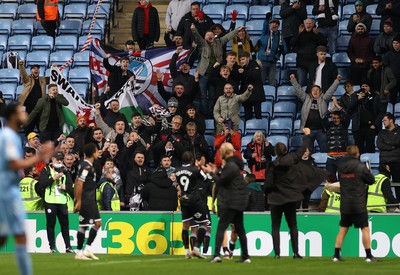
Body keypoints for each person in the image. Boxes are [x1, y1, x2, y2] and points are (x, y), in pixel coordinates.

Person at [0, 103, 54, 275]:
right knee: (19, 235)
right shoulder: (8, 136)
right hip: (6, 191)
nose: (25, 114)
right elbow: (14, 164)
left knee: (10, 236)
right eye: (21, 112)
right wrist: (40, 156)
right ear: (13, 116)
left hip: (9, 190)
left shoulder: (13, 136)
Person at [264, 128, 311, 259]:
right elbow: (302, 149)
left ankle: (277, 254)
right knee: (293, 225)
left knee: (275, 226)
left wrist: (266, 193)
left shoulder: (273, 165)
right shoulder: (293, 159)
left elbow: (268, 183)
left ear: (275, 152)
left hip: (276, 199)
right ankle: (296, 253)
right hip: (291, 198)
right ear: (285, 150)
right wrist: (307, 136)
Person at [202, 143, 250, 263]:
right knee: (240, 229)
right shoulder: (235, 165)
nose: (219, 153)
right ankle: (245, 256)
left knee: (221, 227)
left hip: (230, 201)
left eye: (220, 151)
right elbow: (226, 180)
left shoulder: (230, 165)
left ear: (224, 151)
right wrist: (216, 172)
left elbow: (221, 182)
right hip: (238, 200)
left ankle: (217, 255)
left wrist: (211, 173)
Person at [333, 145, 376, 262]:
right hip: (358, 203)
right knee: (365, 229)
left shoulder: (340, 167)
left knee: (343, 229)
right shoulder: (361, 167)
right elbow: (371, 181)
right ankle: (368, 256)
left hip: (345, 203)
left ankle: (336, 255)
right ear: (358, 154)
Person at [191, 24, 242, 118]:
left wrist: (237, 30)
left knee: (212, 95)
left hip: (214, 74)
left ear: (214, 36)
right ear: (205, 37)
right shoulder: (202, 44)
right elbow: (197, 37)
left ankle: (210, 113)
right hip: (204, 73)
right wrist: (194, 29)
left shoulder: (219, 42)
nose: (210, 36)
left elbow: (227, 37)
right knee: (203, 96)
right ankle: (204, 113)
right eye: (207, 35)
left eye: (211, 34)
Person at [290, 73, 341, 152]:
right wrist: (293, 80)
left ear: (320, 92)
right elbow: (298, 90)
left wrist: (337, 80)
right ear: (311, 92)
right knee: (308, 152)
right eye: (313, 90)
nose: (315, 91)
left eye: (317, 90)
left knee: (325, 151)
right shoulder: (306, 98)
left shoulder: (324, 99)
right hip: (308, 130)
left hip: (321, 130)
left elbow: (331, 90)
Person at [175, 151, 210, 259]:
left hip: (184, 200)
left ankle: (187, 252)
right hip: (195, 200)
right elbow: (205, 178)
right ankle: (196, 248)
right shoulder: (194, 169)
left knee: (185, 226)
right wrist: (200, 168)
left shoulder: (177, 171)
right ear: (191, 159)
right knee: (204, 223)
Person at [38, 151, 74, 253]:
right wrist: (54, 178)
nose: (59, 161)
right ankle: (52, 247)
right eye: (57, 159)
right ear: (52, 159)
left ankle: (68, 247)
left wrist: (65, 187)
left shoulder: (65, 171)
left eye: (60, 159)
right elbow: (42, 184)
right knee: (51, 224)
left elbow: (71, 187)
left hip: (62, 201)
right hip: (50, 201)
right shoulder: (46, 170)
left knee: (65, 224)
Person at [74, 143, 102, 260]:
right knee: (84, 226)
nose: (98, 152)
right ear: (94, 152)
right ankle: (79, 253)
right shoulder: (86, 166)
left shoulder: (86, 164)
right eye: (97, 150)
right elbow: (79, 183)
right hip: (86, 200)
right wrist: (78, 200)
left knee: (97, 223)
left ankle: (88, 249)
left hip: (91, 199)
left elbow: (76, 180)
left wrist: (76, 198)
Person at [291, 18, 327, 86]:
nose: (308, 25)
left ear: (313, 25)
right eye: (307, 23)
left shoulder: (317, 34)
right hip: (301, 62)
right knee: (301, 83)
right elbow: (292, 43)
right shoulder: (299, 33)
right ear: (304, 25)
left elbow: (324, 44)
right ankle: (300, 97)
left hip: (313, 63)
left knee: (314, 83)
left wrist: (317, 34)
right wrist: (299, 33)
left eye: (310, 23)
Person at [255, 16, 287, 86]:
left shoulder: (280, 37)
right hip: (262, 61)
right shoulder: (265, 33)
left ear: (278, 26)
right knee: (261, 81)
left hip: (273, 62)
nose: (274, 25)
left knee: (272, 82)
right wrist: (266, 19)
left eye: (276, 23)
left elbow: (285, 51)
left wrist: (282, 50)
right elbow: (265, 26)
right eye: (272, 23)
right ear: (269, 25)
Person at [18, 60, 48, 134]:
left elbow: (53, 78)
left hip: (40, 107)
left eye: (37, 68)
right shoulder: (28, 79)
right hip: (29, 107)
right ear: (31, 71)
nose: (36, 69)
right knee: (28, 127)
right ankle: (28, 143)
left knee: (41, 128)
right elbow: (23, 75)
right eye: (34, 68)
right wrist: (21, 66)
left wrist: (55, 69)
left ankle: (41, 143)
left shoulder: (43, 79)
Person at [367, 56, 397, 125]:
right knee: (374, 114)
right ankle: (376, 131)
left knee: (381, 114)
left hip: (383, 96)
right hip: (373, 95)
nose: (374, 64)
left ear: (380, 63)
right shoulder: (370, 71)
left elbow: (393, 81)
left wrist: (387, 87)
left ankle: (376, 127)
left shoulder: (387, 70)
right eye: (373, 63)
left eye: (376, 63)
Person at [348, 82, 377, 153]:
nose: (364, 87)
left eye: (366, 86)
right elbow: (349, 107)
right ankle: (358, 164)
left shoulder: (374, 96)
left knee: (370, 148)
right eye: (362, 86)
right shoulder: (355, 95)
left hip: (369, 127)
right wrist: (358, 99)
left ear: (369, 87)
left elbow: (376, 111)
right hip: (357, 127)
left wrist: (374, 124)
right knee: (358, 149)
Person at [377, 113, 400, 199]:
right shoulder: (381, 132)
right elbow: (379, 144)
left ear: (391, 120)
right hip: (383, 162)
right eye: (383, 121)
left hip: (396, 162)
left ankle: (398, 204)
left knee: (398, 185)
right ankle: (387, 204)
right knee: (383, 185)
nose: (383, 122)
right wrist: (393, 146)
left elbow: (398, 142)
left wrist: (386, 145)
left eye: (385, 120)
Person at [238, 52, 266, 120]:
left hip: (256, 95)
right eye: (240, 60)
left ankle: (259, 129)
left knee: (258, 115)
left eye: (243, 59)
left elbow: (255, 76)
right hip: (247, 95)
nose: (241, 61)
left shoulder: (255, 65)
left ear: (248, 58)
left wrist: (244, 72)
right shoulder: (244, 68)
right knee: (247, 116)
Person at [382, 34, 400, 104]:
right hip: (392, 81)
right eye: (394, 43)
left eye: (397, 43)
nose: (395, 45)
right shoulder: (388, 55)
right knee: (392, 101)